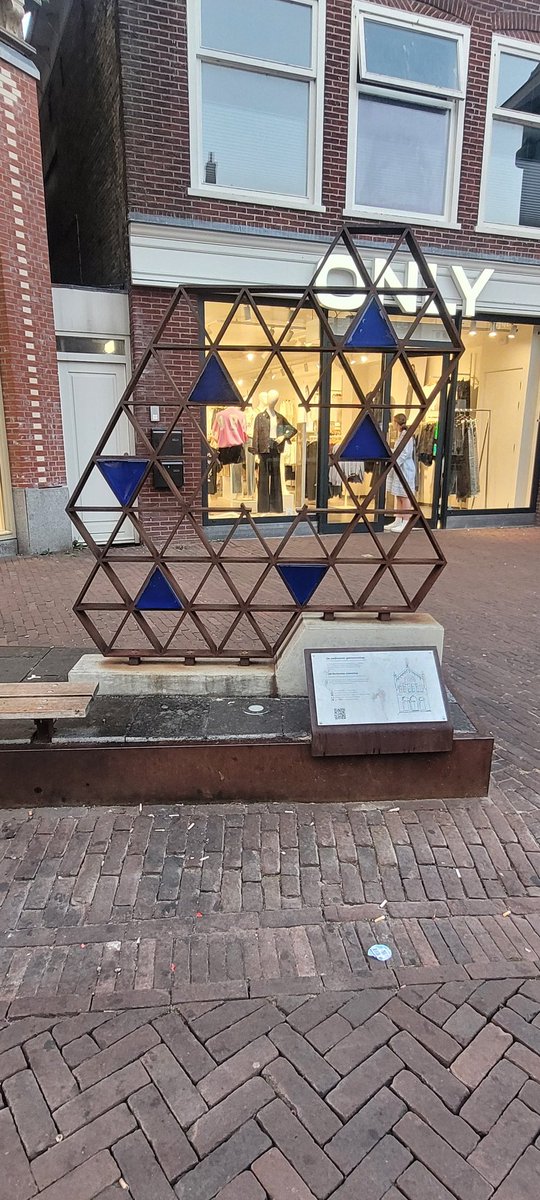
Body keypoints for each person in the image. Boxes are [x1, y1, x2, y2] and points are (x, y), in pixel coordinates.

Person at [385, 413, 417, 533]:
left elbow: (405, 453)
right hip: (399, 467)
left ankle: (406, 521)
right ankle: (398, 519)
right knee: (398, 494)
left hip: (405, 468)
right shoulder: (401, 435)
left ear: (396, 423)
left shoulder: (406, 436)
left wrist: (395, 461)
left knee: (404, 495)